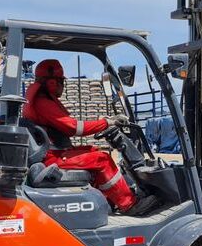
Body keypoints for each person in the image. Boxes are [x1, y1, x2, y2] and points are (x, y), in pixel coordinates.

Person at [23, 59, 159, 216]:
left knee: (93, 150)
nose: (63, 85)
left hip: (53, 153)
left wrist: (105, 122)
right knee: (102, 160)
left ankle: (109, 200)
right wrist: (107, 122)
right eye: (61, 81)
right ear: (52, 82)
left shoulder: (42, 100)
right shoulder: (43, 102)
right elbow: (74, 128)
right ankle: (129, 205)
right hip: (53, 158)